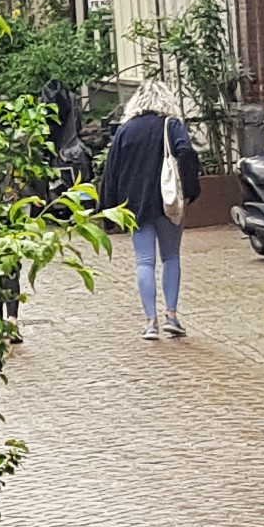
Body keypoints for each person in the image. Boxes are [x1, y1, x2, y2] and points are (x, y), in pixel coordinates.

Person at [98, 80, 202, 341]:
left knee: (144, 261)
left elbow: (111, 171)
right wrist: (190, 190)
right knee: (171, 257)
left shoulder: (125, 131)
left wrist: (107, 209)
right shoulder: (171, 125)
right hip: (168, 202)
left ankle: (150, 323)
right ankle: (171, 316)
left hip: (135, 204)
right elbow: (186, 152)